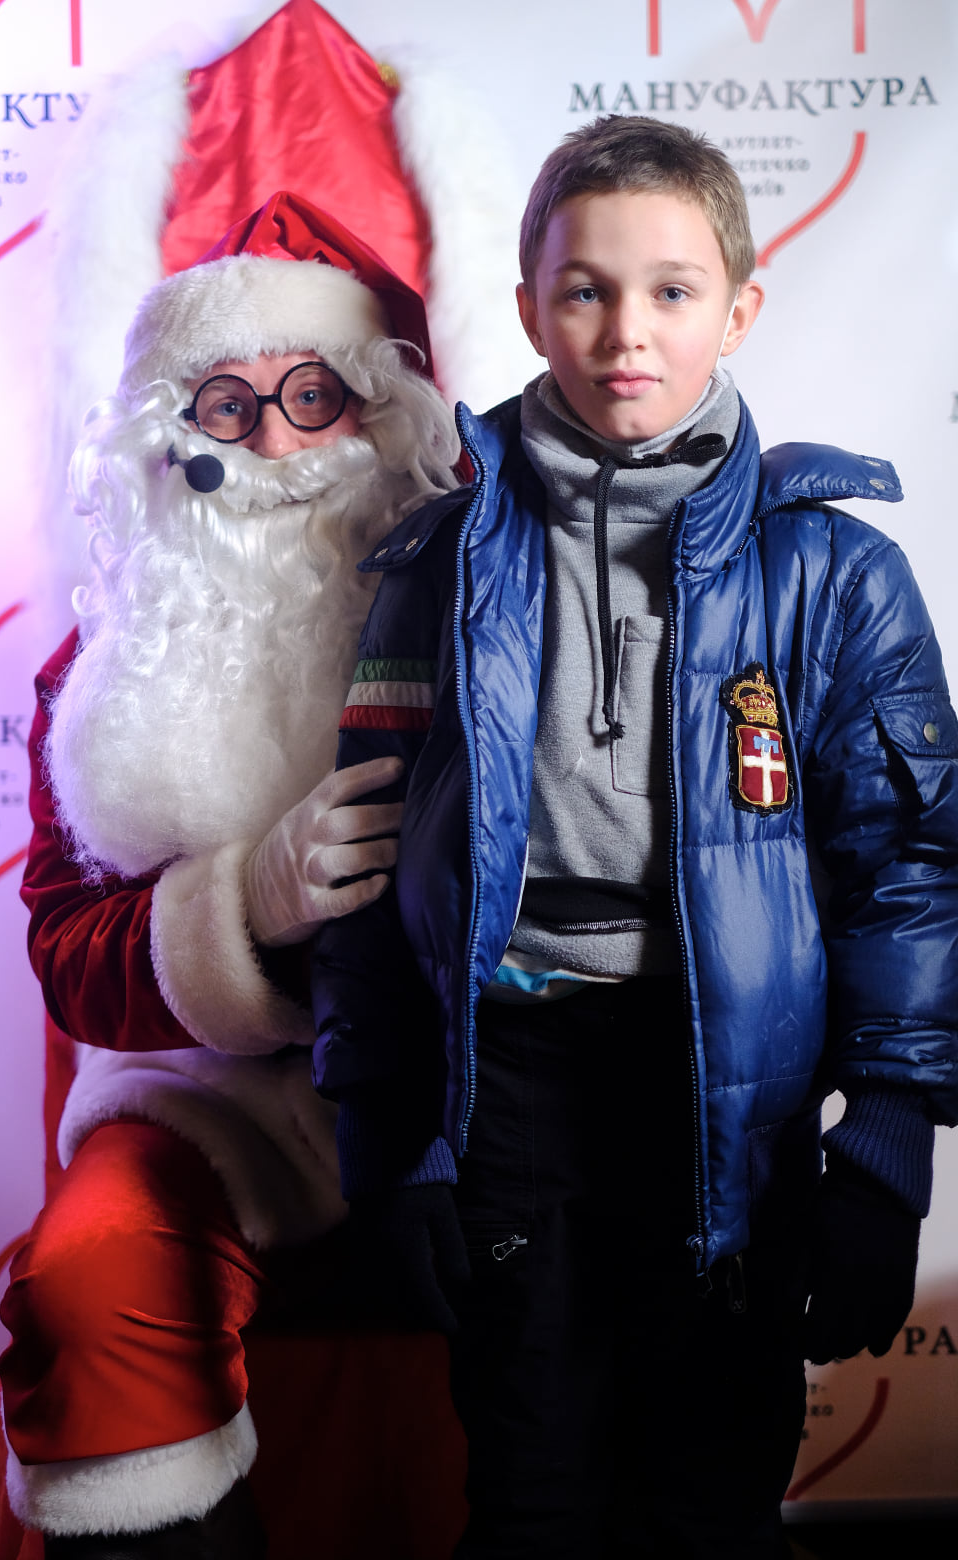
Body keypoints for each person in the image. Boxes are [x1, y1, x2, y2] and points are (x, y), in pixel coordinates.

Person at [311, 116, 958, 1558]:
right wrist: (383, 1125)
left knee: (711, 1500)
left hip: (730, 1086)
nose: (625, 333)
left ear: (741, 306)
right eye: (585, 290)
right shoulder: (433, 561)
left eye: (672, 290)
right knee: (530, 1493)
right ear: (528, 304)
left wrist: (890, 1134)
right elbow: (365, 852)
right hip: (507, 1083)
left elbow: (907, 870)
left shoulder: (835, 571)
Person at [0, 191, 460, 1558]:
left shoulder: (484, 614)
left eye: (313, 396)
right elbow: (67, 953)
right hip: (205, 1104)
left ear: (380, 418)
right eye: (227, 405)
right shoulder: (92, 671)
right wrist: (244, 904)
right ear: (169, 433)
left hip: (462, 1086)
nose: (271, 442)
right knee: (89, 1287)